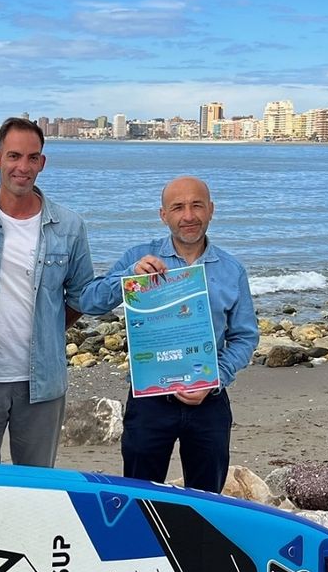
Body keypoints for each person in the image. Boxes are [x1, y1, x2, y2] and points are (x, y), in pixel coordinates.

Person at [80, 176, 258, 493]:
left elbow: (245, 337)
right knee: (139, 495)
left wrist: (216, 377)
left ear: (211, 210)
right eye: (178, 207)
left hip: (208, 399)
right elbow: (90, 301)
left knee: (207, 501)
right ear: (164, 215)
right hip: (150, 400)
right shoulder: (139, 258)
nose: (188, 216)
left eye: (196, 205)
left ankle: (198, 544)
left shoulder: (231, 270)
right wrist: (128, 277)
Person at [0, 117, 94, 467]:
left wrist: (45, 331)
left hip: (41, 383)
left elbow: (80, 297)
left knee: (37, 487)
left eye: (32, 158)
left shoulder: (69, 226)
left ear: (42, 163)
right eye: (14, 156)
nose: (23, 167)